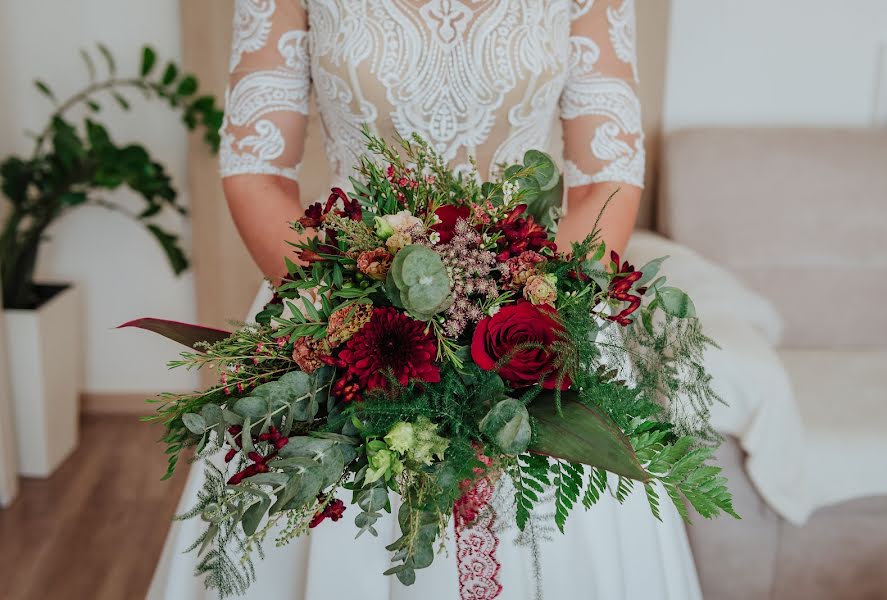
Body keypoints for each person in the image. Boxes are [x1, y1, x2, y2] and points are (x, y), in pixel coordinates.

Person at [149, 1, 702, 598]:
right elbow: (255, 167)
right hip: (340, 308)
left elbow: (608, 175)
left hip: (533, 318)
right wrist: (348, 317)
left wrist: (528, 314)